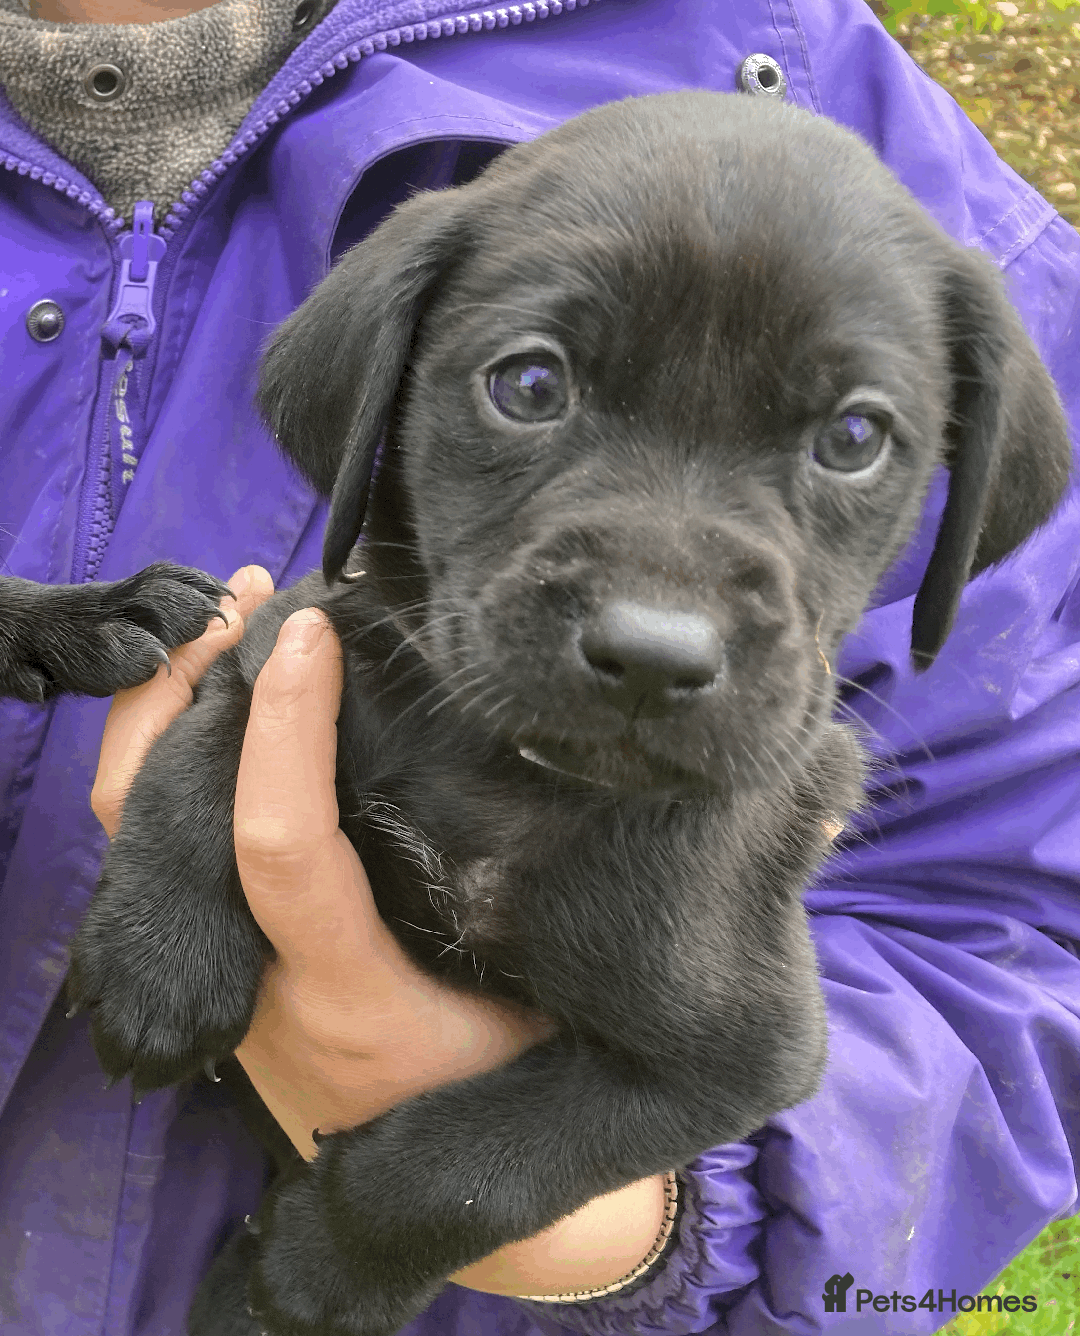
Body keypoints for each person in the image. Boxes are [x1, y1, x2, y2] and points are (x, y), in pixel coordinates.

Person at [0, 0, 1077, 1328]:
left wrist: (586, 1221)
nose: (663, 619)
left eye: (851, 437)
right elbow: (268, 655)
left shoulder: (842, 105)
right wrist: (181, 868)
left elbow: (1011, 940)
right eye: (531, 385)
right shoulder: (374, 611)